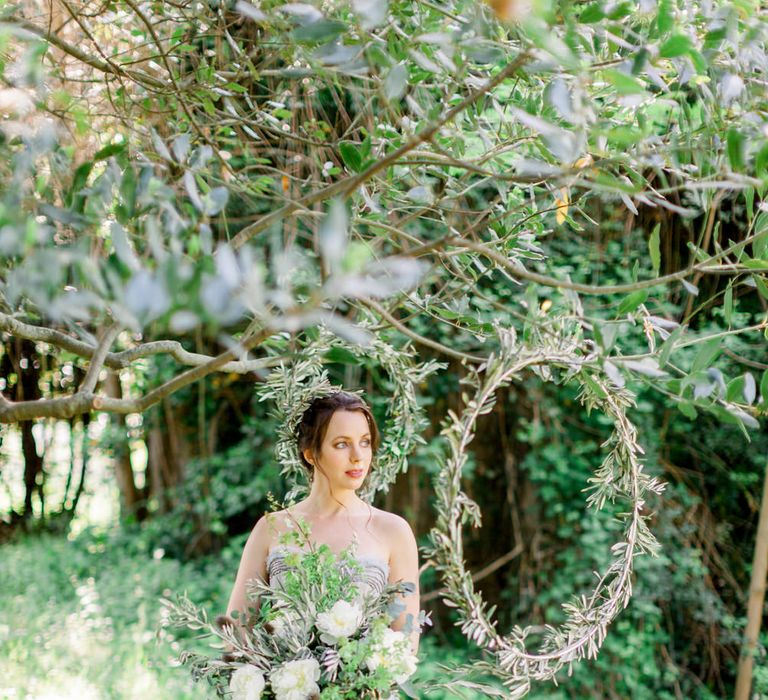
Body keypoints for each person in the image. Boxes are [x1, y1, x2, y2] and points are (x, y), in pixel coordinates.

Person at [224, 390, 421, 654]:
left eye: (364, 442)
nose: (358, 456)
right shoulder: (272, 528)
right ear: (310, 454)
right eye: (341, 444)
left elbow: (405, 641)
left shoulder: (393, 531)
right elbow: (236, 632)